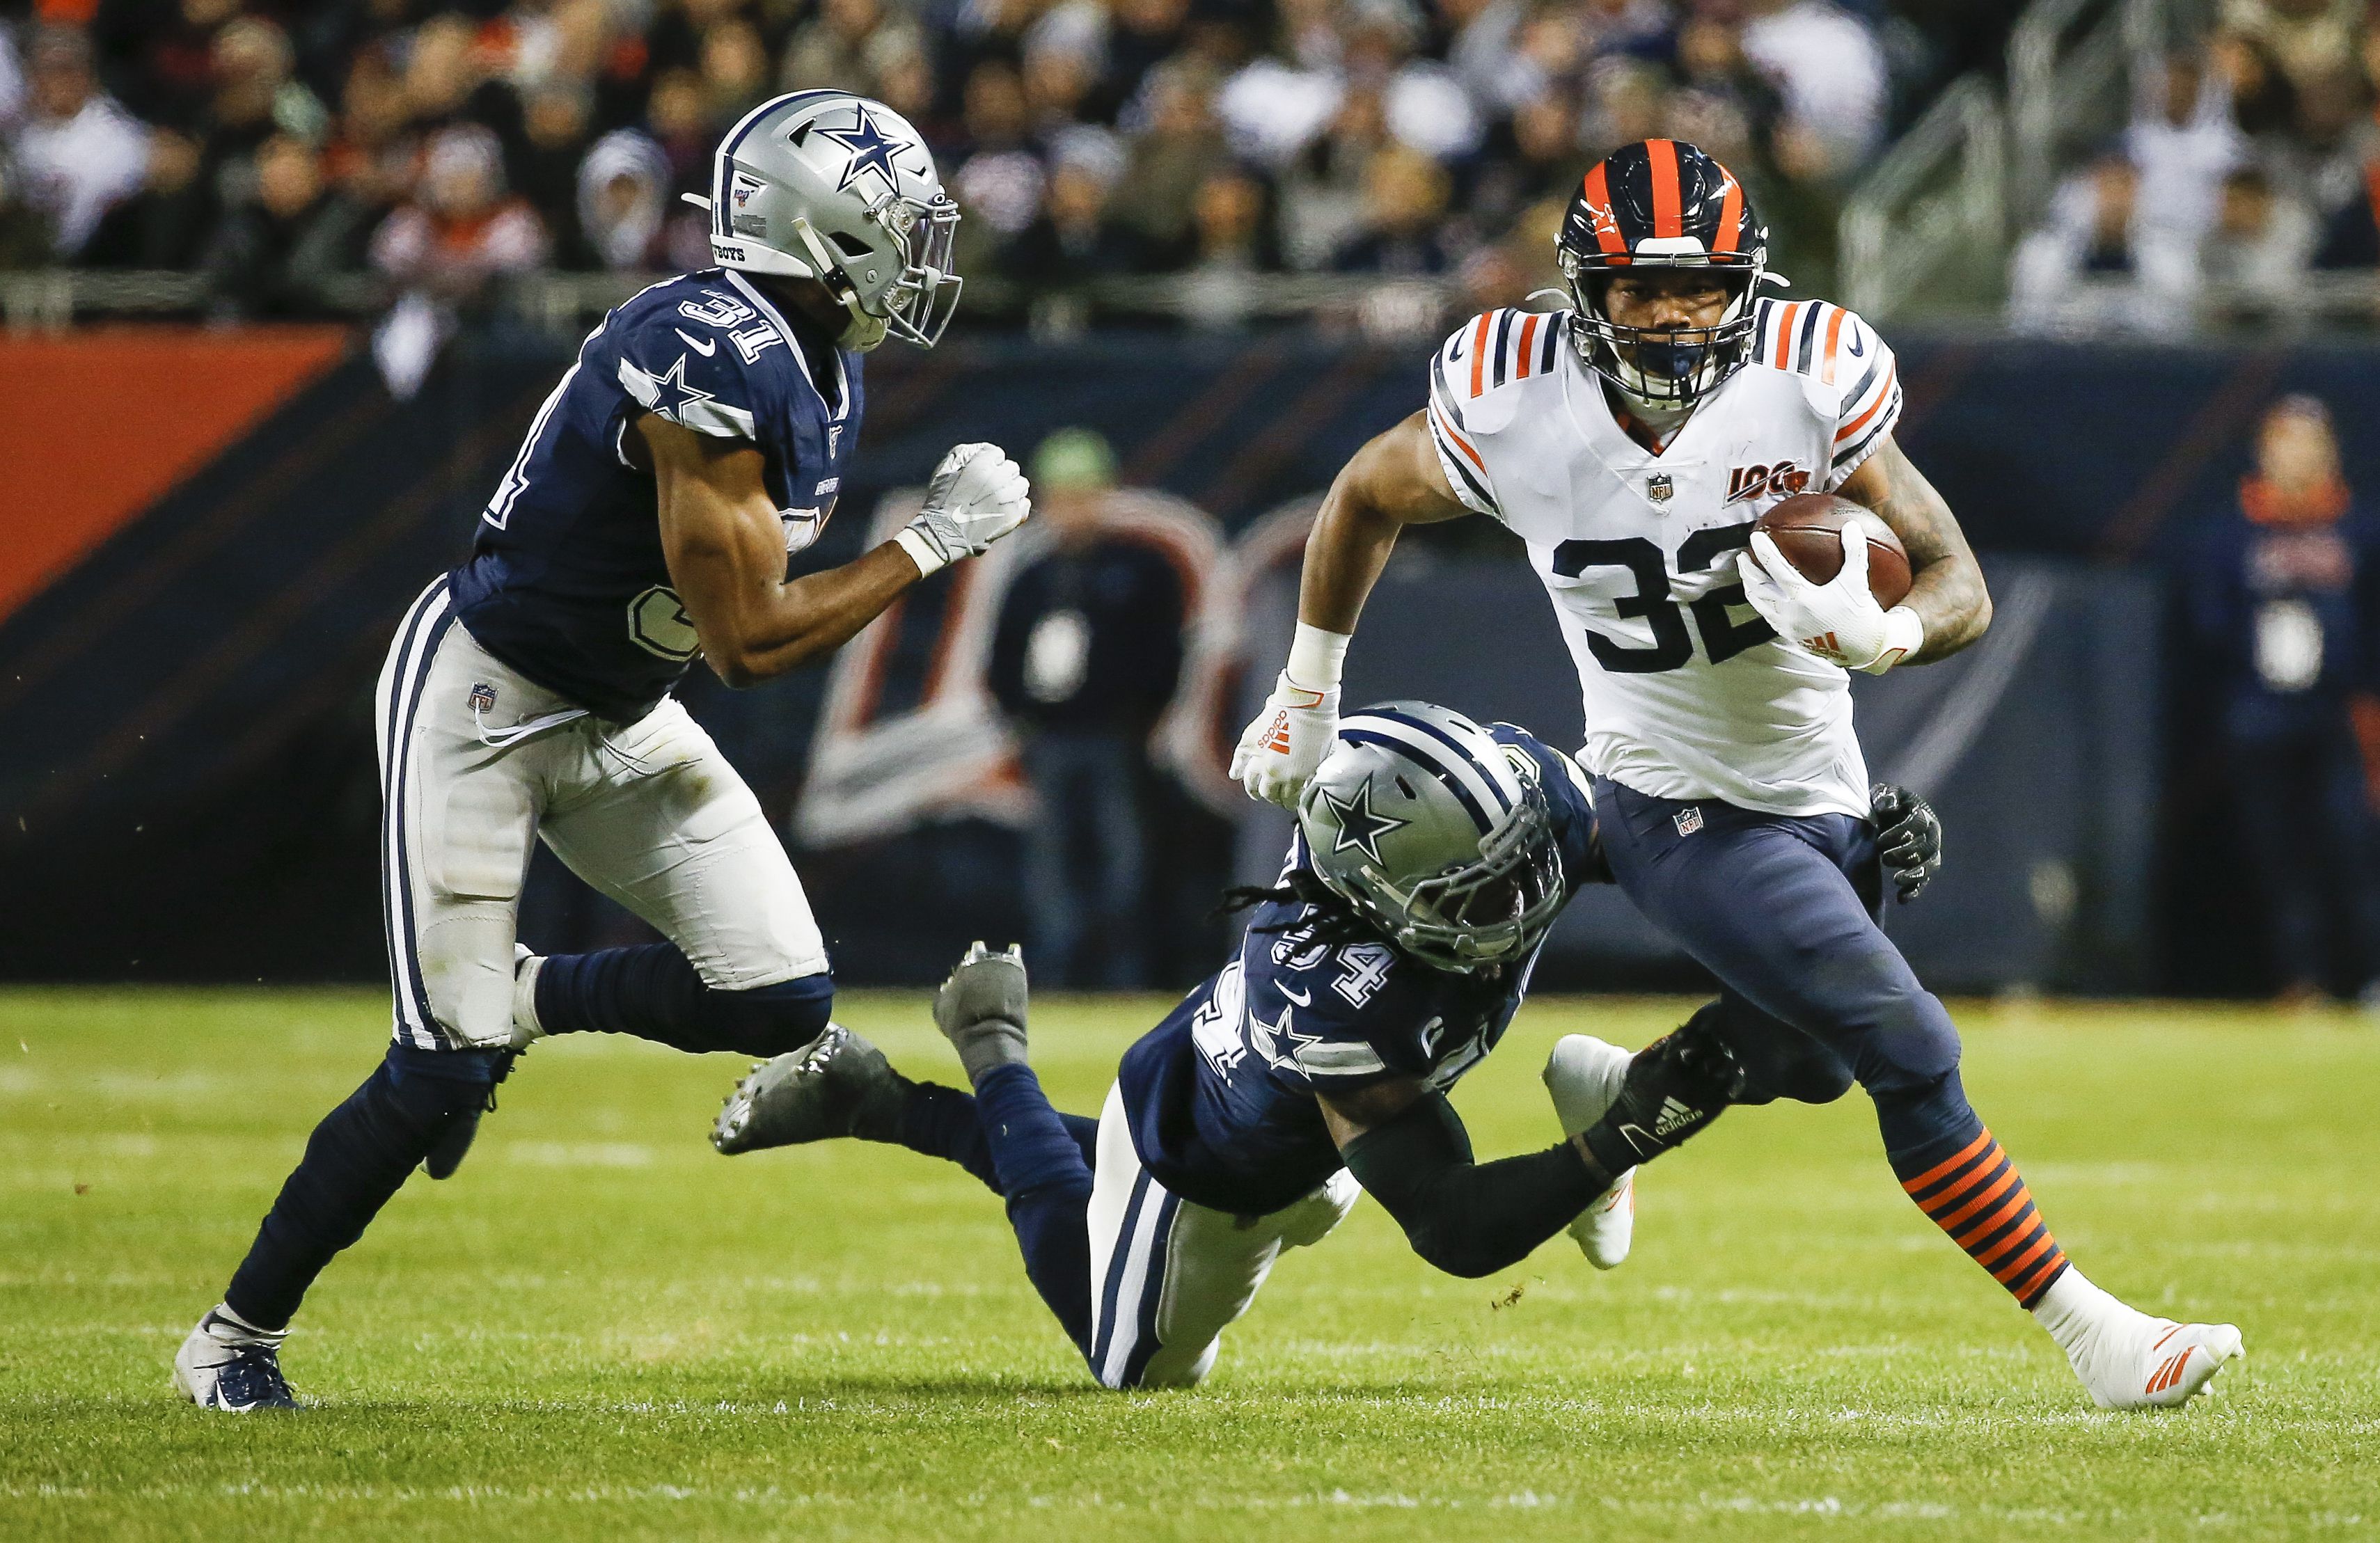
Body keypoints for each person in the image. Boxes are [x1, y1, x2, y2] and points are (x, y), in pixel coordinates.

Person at [1227, 139, 2245, 1411]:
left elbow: (1958, 582)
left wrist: (1890, 633)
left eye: (1697, 286)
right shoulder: (1507, 394)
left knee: (1808, 1058)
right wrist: (1304, 691)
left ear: (1745, 283)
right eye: (1638, 288)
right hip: (1667, 796)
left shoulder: (1809, 377)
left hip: (1816, 781)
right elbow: (1363, 493)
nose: (1668, 314)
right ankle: (2098, 1338)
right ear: (1580, 291)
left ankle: (1619, 1091)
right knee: (1907, 1048)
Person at [173, 90, 1028, 1413]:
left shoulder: (816, 358)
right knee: (434, 1074)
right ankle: (231, 1337)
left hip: (621, 709)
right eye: (899, 222)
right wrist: (929, 542)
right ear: (823, 226)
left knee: (780, 998)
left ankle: (519, 996)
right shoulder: (704, 348)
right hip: (487, 700)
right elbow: (745, 642)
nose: (922, 253)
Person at [710, 703, 1947, 1387]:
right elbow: (1453, 1229)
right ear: (1388, 899)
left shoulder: (1517, 803)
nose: (1519, 905)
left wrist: (1842, 857)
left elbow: (1712, 876)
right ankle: (961, 1064)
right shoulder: (1335, 995)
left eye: (1523, 868)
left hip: (1342, 1129)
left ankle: (1596, 1121)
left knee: (1795, 1042)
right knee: (1122, 1354)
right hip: (1204, 1157)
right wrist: (1625, 1133)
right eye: (1477, 896)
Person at [2186, 395, 2380, 1003]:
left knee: (2354, 847)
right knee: (2279, 857)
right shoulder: (2232, 533)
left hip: (2339, 716)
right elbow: (2208, 622)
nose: (2296, 456)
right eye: (2285, 442)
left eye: (2308, 443)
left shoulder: (2359, 529)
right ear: (2264, 451)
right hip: (2260, 714)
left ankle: (2369, 977)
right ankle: (2302, 983)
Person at [986, 429, 1186, 988]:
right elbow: (1001, 657)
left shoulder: (1139, 569)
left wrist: (1139, 713)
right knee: (1052, 869)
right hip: (1050, 739)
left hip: (1115, 737)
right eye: (1062, 496)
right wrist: (1022, 717)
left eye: (1083, 494)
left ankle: (1129, 977)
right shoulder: (1033, 579)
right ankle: (1058, 978)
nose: (1072, 510)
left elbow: (1164, 651)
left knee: (1127, 861)